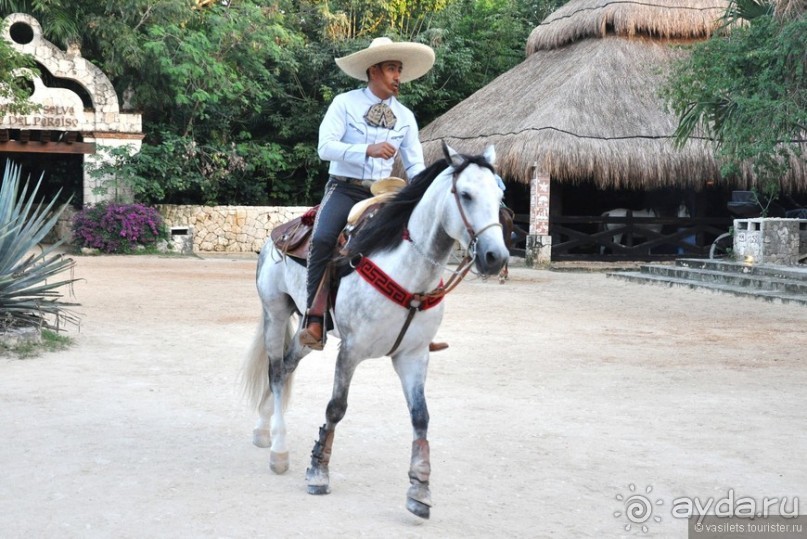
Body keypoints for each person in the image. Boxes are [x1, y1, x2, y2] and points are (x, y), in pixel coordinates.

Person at [299, 36, 447, 352]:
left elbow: (415, 164)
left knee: (420, 241)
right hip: (344, 189)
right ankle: (315, 319)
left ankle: (421, 325)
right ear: (373, 71)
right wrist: (367, 149)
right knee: (324, 239)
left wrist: (424, 195)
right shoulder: (344, 103)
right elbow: (324, 148)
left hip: (387, 194)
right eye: (392, 69)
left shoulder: (405, 116)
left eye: (399, 69)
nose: (398, 76)